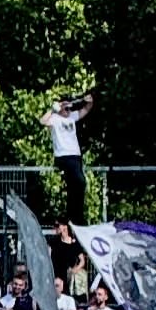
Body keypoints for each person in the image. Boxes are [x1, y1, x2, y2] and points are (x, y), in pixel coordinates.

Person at [40, 91, 94, 223]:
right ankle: (75, 217)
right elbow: (42, 121)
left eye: (69, 108)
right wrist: (53, 109)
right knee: (80, 182)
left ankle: (73, 218)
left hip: (75, 156)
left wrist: (90, 101)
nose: (68, 111)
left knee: (75, 187)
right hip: (64, 155)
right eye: (66, 108)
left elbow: (86, 109)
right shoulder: (55, 118)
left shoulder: (72, 116)